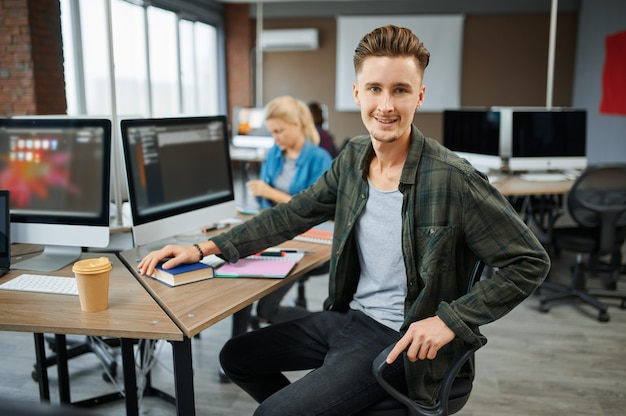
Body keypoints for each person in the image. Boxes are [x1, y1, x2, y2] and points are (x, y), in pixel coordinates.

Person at [138, 24, 550, 415]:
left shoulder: (454, 179)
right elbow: (295, 212)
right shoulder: (353, 157)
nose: (386, 105)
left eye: (400, 90)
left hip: (397, 338)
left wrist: (450, 321)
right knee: (236, 357)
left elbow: (530, 261)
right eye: (375, 88)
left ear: (419, 96)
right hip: (349, 317)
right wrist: (203, 248)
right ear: (357, 92)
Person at [232, 95, 332, 338]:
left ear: (297, 124)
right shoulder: (275, 153)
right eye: (272, 132)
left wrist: (270, 193)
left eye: (279, 131)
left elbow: (315, 210)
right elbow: (264, 202)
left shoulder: (320, 159)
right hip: (279, 233)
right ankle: (238, 344)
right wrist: (265, 198)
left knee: (267, 307)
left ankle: (329, 326)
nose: (275, 138)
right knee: (240, 273)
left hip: (313, 240)